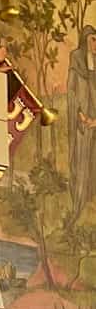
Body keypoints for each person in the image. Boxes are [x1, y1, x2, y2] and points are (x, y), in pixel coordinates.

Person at [68, 26, 96, 224]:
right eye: (93, 40)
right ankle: (78, 207)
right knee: (81, 165)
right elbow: (72, 93)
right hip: (83, 124)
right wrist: (81, 116)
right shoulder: (77, 60)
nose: (95, 44)